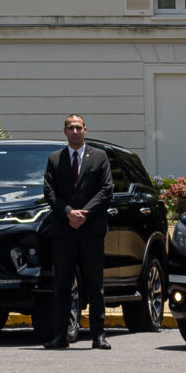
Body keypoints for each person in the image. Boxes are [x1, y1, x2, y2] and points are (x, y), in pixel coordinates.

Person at [44, 115, 111, 350]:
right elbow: (49, 192)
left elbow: (106, 190)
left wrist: (84, 214)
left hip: (91, 231)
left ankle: (98, 336)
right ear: (64, 131)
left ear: (85, 130)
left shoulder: (100, 157)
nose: (74, 131)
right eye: (70, 128)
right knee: (62, 286)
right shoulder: (55, 159)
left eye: (78, 127)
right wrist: (69, 213)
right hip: (64, 231)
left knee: (95, 286)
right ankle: (60, 336)